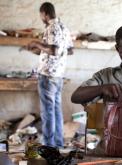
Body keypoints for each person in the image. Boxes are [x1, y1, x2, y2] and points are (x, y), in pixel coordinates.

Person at [25, 2, 73, 147]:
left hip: (47, 75)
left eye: (41, 15)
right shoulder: (64, 28)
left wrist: (35, 43)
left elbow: (53, 50)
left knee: (47, 112)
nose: (41, 17)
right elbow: (69, 50)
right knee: (56, 111)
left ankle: (48, 145)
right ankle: (57, 144)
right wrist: (38, 49)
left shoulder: (52, 28)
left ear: (45, 14)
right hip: (58, 75)